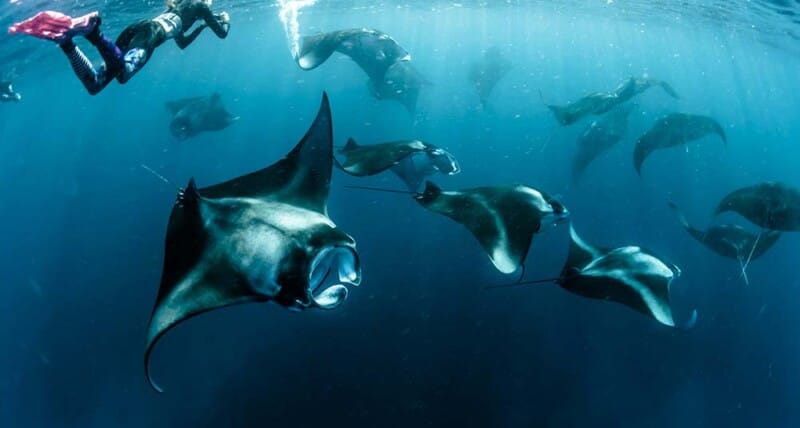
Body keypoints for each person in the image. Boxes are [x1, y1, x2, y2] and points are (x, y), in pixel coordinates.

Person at [8, 0, 230, 95]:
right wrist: (225, 20)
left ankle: (66, 43)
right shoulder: (201, 5)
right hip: (151, 34)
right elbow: (222, 33)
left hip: (140, 27)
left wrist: (202, 26)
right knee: (123, 73)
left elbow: (181, 43)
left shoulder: (180, 6)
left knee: (95, 86)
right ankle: (94, 33)